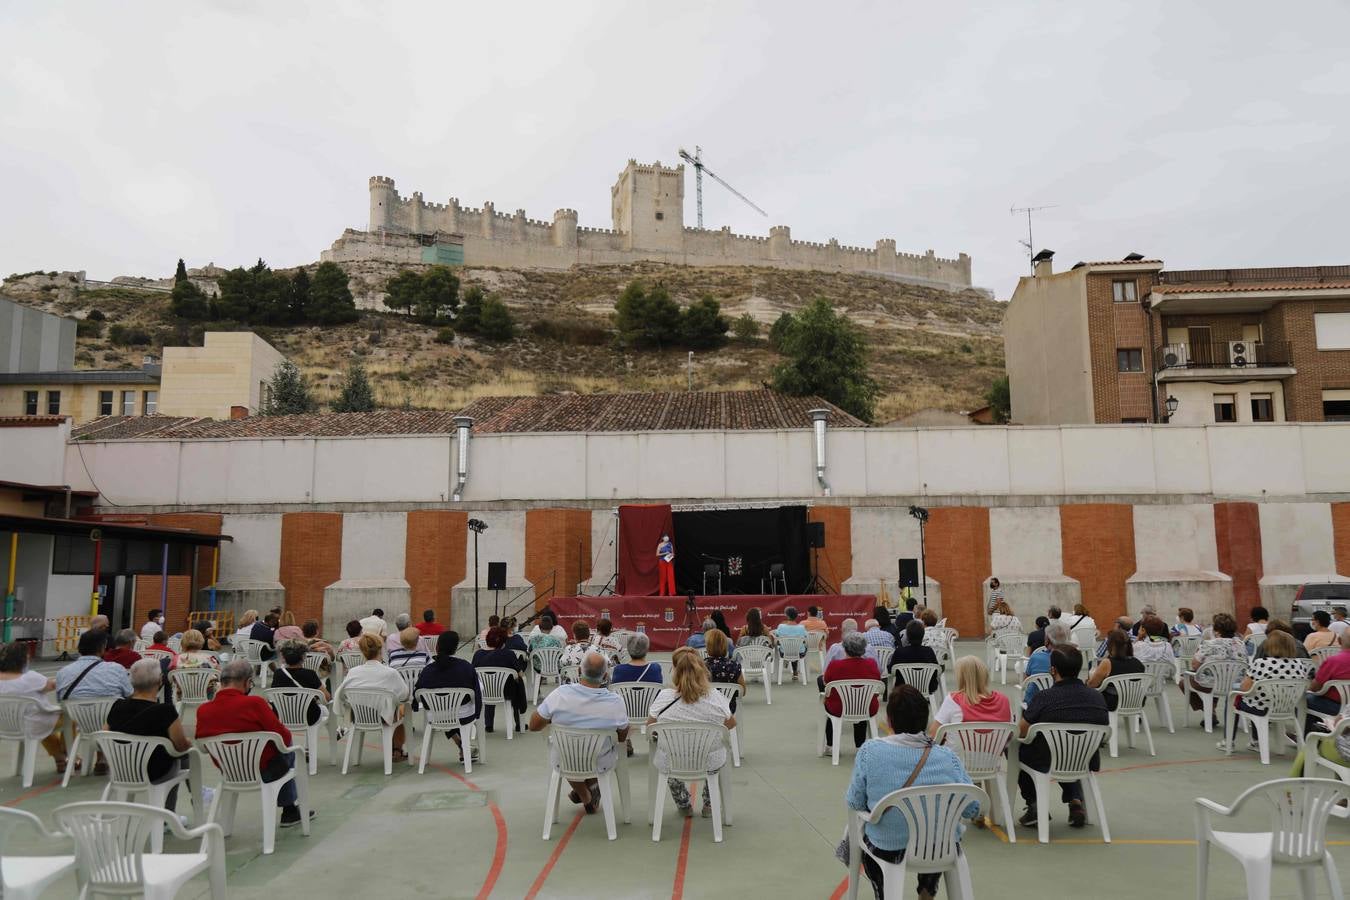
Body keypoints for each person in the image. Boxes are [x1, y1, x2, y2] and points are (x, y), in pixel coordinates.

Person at [845, 685, 978, 900]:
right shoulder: (947, 757)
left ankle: (883, 893)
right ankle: (927, 890)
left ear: (890, 721)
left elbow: (855, 802)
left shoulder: (870, 752)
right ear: (926, 719)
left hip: (888, 846)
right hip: (940, 848)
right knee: (934, 830)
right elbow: (973, 808)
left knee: (871, 842)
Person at [195, 659, 314, 827]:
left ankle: (289, 811)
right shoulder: (255, 703)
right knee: (288, 748)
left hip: (229, 770)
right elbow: (284, 737)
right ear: (247, 682)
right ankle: (289, 810)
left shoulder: (203, 710)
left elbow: (203, 746)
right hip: (264, 770)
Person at [1018, 644, 1108, 829]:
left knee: (1018, 748)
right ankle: (1075, 800)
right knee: (1067, 749)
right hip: (1085, 759)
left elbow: (1021, 731)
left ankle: (1034, 805)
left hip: (1048, 759)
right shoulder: (1097, 698)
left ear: (1053, 670)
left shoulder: (1045, 697)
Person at [529, 651, 629, 814]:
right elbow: (622, 736)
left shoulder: (560, 694)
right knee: (598, 750)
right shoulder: (615, 702)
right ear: (605, 676)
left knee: (568, 751)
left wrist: (551, 716)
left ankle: (585, 795)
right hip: (599, 761)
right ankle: (590, 788)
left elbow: (533, 725)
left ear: (579, 671)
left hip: (564, 759)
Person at [647, 647, 734, 818]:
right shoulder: (715, 697)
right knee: (717, 751)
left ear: (675, 672)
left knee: (666, 754)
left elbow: (651, 726)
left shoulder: (664, 697)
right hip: (707, 759)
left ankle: (683, 804)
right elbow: (730, 724)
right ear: (703, 671)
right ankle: (709, 804)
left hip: (674, 759)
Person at [108, 658, 192, 807]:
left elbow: (105, 735)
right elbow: (180, 746)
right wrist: (189, 743)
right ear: (160, 680)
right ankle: (170, 811)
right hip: (155, 772)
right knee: (184, 755)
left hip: (122, 770)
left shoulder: (117, 706)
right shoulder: (165, 711)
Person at [334, 634, 411, 762]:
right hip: (384, 717)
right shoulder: (390, 672)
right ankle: (397, 749)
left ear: (362, 651)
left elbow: (342, 694)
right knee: (403, 708)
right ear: (380, 649)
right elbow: (404, 695)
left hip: (359, 716)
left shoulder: (353, 672)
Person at [0, 641, 68, 774]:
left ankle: (59, 757)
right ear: (23, 660)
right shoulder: (30, 678)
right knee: (68, 717)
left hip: (4, 727)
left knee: (40, 721)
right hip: (30, 724)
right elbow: (51, 685)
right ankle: (66, 754)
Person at [414, 631, 483, 761]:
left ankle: (462, 745)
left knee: (443, 707)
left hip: (435, 715)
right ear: (455, 648)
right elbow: (479, 690)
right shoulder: (466, 667)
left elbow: (418, 694)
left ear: (437, 647)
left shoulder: (427, 671)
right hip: (462, 714)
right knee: (461, 706)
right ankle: (464, 747)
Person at [821, 632, 881, 752]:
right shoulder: (871, 664)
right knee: (862, 702)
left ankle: (830, 746)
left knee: (830, 707)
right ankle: (859, 746)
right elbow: (878, 679)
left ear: (845, 648)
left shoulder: (835, 665)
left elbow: (826, 681)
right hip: (867, 707)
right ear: (864, 649)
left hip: (839, 708)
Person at [1184, 612, 1246, 715]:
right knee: (1215, 674)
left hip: (1211, 683)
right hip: (1236, 683)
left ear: (1217, 630)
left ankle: (1209, 710)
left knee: (1184, 681)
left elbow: (1194, 665)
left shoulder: (1209, 644)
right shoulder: (1241, 644)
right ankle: (1211, 708)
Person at [930, 656, 1011, 734]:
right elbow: (1010, 733)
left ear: (961, 678)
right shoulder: (1003, 700)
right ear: (985, 675)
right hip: (995, 744)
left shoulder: (953, 700)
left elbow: (933, 733)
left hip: (960, 744)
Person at [473, 626, 528, 733]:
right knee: (518, 683)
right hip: (506, 692)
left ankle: (489, 724)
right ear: (504, 641)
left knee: (488, 684)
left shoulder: (478, 655)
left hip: (484, 691)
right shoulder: (509, 654)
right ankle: (519, 723)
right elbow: (520, 674)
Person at [269, 640, 329, 727]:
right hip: (308, 718)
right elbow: (326, 698)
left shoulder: (278, 673)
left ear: (284, 658)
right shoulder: (310, 674)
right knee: (325, 710)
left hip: (282, 717)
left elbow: (272, 697)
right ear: (303, 657)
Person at [1085, 629, 1145, 711]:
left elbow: (1092, 685)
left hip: (1113, 702)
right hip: (1136, 701)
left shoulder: (1107, 663)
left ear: (1112, 645)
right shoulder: (1138, 662)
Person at [1306, 629, 1350, 732]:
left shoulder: (1333, 661)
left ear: (1339, 641)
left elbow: (1315, 687)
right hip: (1347, 709)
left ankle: (1306, 733)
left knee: (1304, 698)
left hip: (1335, 707)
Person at [1022, 621, 1070, 704]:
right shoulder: (1069, 658)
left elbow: (1026, 680)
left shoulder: (1036, 657)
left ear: (1047, 639)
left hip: (1034, 701)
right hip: (1060, 701)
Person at [890, 621, 941, 693]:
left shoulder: (899, 652)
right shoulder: (929, 651)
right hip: (927, 687)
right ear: (923, 635)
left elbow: (891, 670)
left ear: (907, 636)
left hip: (903, 688)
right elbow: (936, 670)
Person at [703, 628, 746, 714]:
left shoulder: (701, 666)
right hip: (729, 709)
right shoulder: (735, 666)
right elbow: (743, 691)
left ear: (708, 647)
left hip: (707, 709)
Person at [775, 606, 809, 675]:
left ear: (787, 616)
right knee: (796, 648)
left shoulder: (781, 626)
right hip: (799, 653)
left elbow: (777, 636)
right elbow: (806, 638)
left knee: (787, 647)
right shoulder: (802, 628)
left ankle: (787, 660)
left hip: (784, 652)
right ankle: (795, 671)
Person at [656, 532, 676, 597]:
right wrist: (665, 553)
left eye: (667, 537)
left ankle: (671, 593)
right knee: (663, 577)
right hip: (662, 561)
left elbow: (673, 553)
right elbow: (657, 554)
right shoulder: (660, 545)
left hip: (669, 561)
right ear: (663, 538)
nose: (667, 538)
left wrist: (672, 555)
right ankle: (662, 593)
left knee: (670, 576)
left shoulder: (670, 544)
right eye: (665, 537)